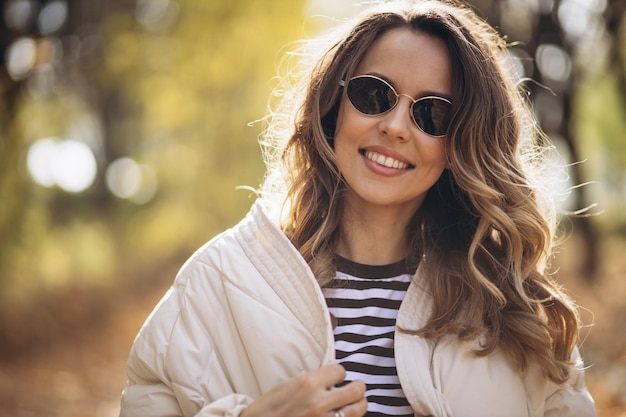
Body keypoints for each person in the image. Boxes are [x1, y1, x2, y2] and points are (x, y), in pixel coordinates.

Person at [119, 1, 597, 416]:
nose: (394, 126)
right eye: (375, 94)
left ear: (461, 142)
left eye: (432, 113)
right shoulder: (222, 279)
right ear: (334, 106)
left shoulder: (511, 306)